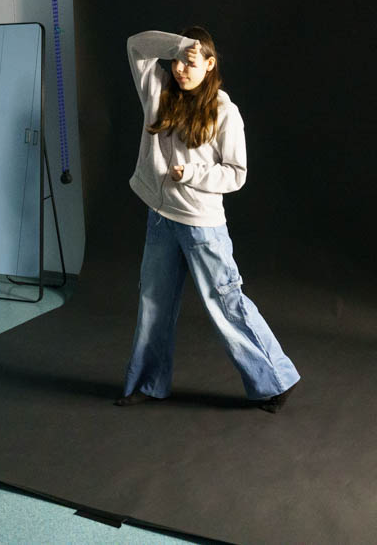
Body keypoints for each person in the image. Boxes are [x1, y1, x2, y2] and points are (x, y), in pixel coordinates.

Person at [115, 27, 300, 413]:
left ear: (210, 65)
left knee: (226, 302)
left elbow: (236, 173)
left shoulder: (224, 111)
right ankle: (148, 383)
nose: (180, 69)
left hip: (202, 225)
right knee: (153, 303)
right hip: (161, 219)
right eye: (177, 61)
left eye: (191, 62)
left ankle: (276, 379)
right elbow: (136, 45)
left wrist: (192, 174)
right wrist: (181, 45)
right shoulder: (157, 89)